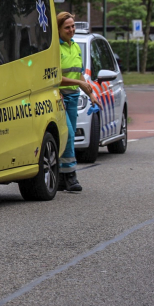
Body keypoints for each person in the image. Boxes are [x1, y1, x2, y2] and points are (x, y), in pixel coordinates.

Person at [57, 12, 100, 192]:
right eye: (67, 27)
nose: (71, 30)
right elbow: (56, 77)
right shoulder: (55, 49)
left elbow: (79, 73)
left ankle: (60, 176)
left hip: (73, 97)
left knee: (70, 135)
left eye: (73, 26)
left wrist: (91, 94)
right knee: (67, 134)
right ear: (58, 29)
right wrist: (79, 83)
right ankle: (71, 177)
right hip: (58, 97)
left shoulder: (75, 46)